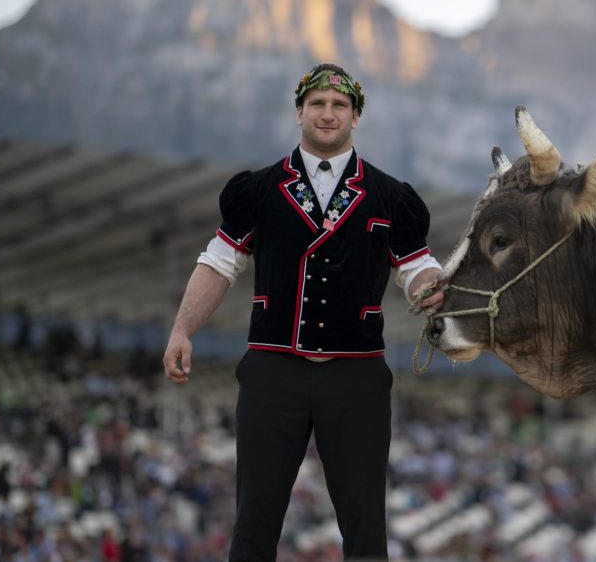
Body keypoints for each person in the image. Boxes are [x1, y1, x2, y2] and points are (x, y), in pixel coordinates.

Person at [162, 63, 443, 560]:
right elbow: (219, 262)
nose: (328, 114)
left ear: (356, 117)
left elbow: (416, 266)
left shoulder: (391, 197)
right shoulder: (260, 190)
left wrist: (430, 288)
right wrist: (183, 328)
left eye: (339, 106)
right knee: (255, 520)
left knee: (364, 526)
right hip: (274, 371)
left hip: (356, 377)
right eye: (318, 104)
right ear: (299, 112)